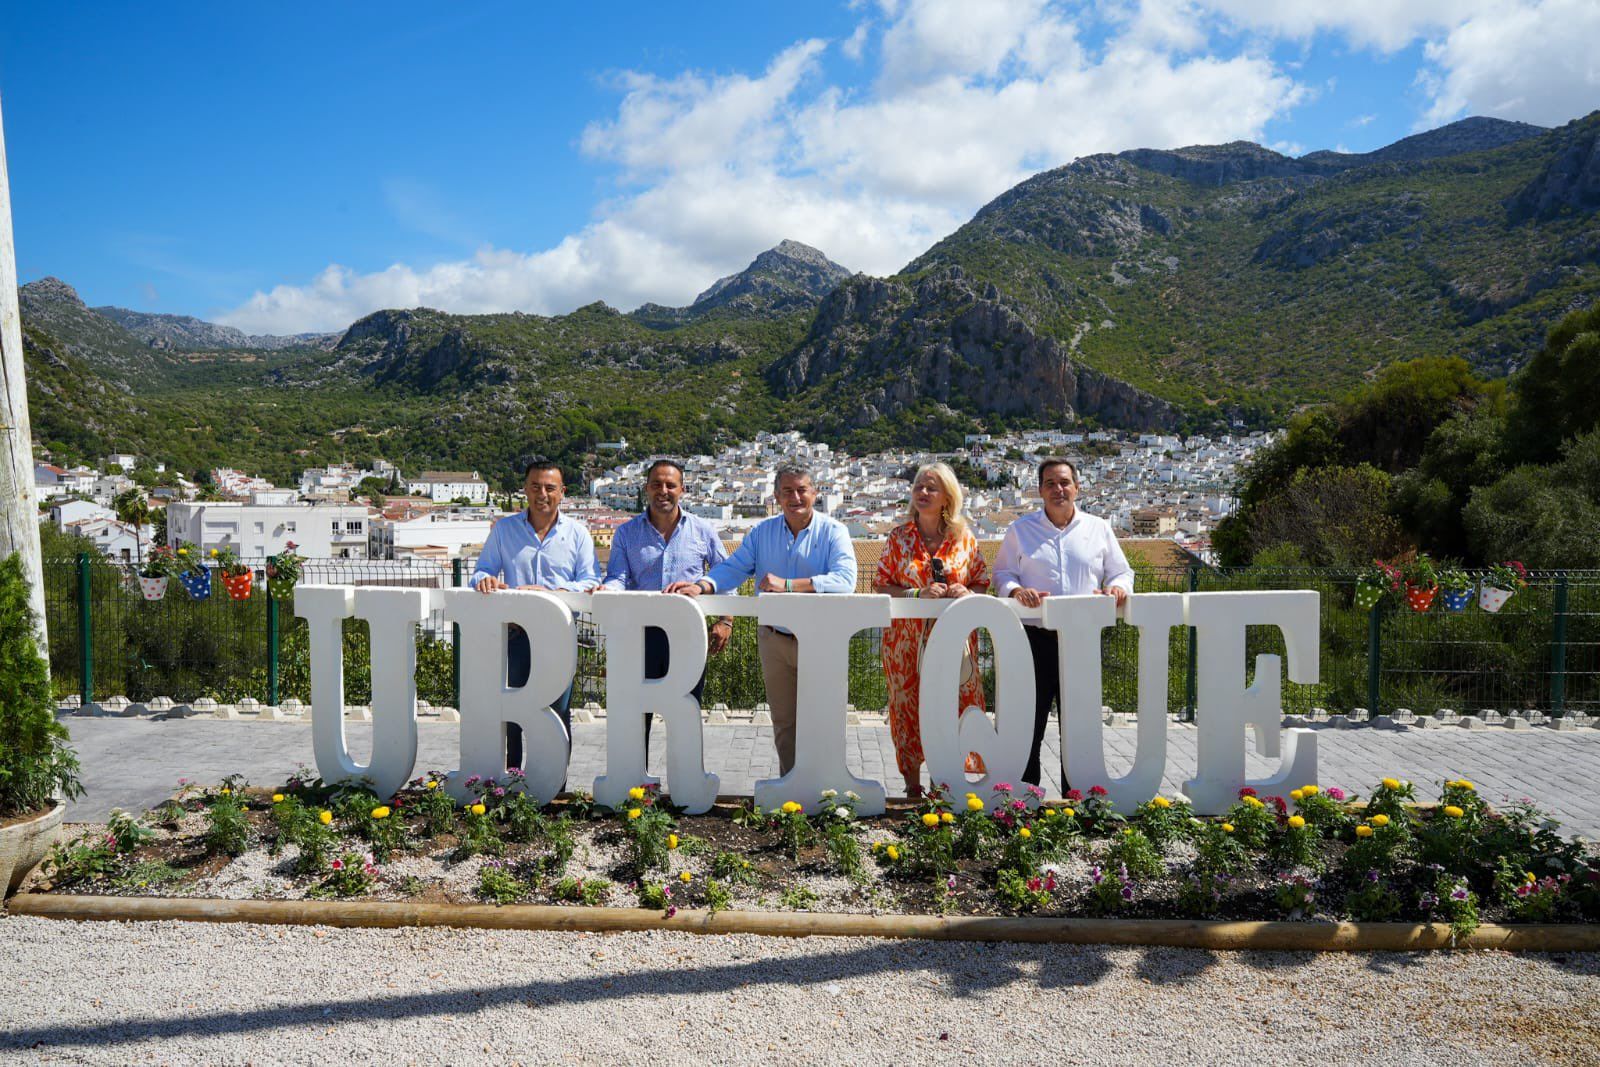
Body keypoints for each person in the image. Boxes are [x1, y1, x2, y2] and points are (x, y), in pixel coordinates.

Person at [667, 461, 856, 775]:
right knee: (783, 721)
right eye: (787, 492)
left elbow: (846, 580)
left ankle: (826, 790)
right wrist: (703, 585)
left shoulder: (835, 531)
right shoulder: (762, 532)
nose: (795, 497)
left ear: (816, 493)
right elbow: (734, 568)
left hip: (820, 640)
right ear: (776, 496)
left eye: (801, 490)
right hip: (774, 638)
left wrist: (789, 586)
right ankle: (791, 789)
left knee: (824, 718)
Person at [994, 457, 1133, 788]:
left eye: (1064, 482)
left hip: (1081, 642)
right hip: (1033, 640)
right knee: (1030, 725)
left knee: (1080, 726)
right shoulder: (1019, 530)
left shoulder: (1099, 528)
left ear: (1077, 487)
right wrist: (1016, 590)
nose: (1058, 489)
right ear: (1040, 490)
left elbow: (1122, 571)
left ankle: (1078, 799)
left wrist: (1119, 588)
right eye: (1050, 484)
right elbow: (1002, 573)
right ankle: (1026, 801)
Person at [471, 458, 599, 769]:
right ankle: (513, 778)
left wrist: (548, 594)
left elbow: (591, 580)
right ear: (525, 490)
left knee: (558, 710)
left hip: (560, 634)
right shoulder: (504, 530)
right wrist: (484, 580)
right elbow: (481, 571)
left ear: (562, 492)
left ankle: (556, 781)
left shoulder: (578, 534)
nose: (543, 493)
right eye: (536, 486)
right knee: (513, 710)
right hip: (516, 634)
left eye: (550, 488)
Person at [872, 462, 990, 797]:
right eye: (919, 487)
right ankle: (912, 788)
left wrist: (966, 593)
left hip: (954, 643)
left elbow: (982, 583)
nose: (922, 493)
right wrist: (915, 594)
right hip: (904, 644)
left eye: (931, 488)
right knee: (907, 708)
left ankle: (946, 785)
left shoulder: (964, 539)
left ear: (947, 497)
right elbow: (881, 585)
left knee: (956, 706)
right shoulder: (899, 538)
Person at [600, 458, 733, 754]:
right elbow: (618, 578)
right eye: (657, 484)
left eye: (670, 485)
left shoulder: (703, 530)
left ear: (682, 490)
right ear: (646, 488)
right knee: (637, 716)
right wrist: (605, 590)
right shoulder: (626, 533)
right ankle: (637, 791)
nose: (663, 490)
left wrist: (726, 621)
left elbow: (726, 575)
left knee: (686, 715)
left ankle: (686, 795)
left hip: (689, 634)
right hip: (640, 636)